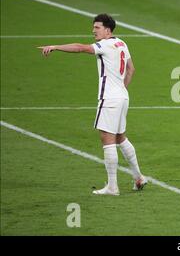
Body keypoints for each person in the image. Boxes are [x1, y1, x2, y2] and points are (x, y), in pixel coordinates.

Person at [38, 14, 147, 195]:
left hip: (110, 98)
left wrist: (55, 47)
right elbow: (131, 69)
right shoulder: (122, 43)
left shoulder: (104, 45)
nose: (93, 30)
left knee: (107, 139)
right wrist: (121, 88)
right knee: (120, 137)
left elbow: (80, 48)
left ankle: (112, 186)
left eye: (97, 27)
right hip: (122, 97)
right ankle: (138, 177)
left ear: (108, 30)